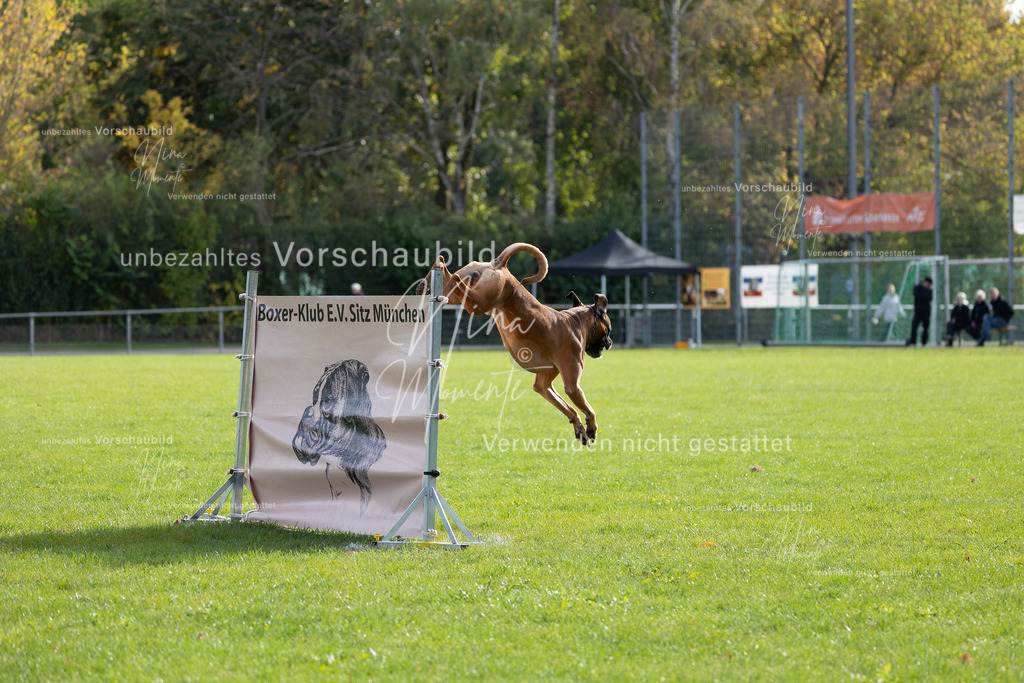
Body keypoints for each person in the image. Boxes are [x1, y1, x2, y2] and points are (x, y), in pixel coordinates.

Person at [905, 276, 933, 346]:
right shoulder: (918, 288)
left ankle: (924, 342)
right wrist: (924, 296)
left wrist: (923, 296)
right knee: (914, 326)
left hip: (926, 312)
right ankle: (913, 342)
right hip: (918, 311)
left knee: (925, 328)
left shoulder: (929, 290)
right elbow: (917, 295)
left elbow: (929, 298)